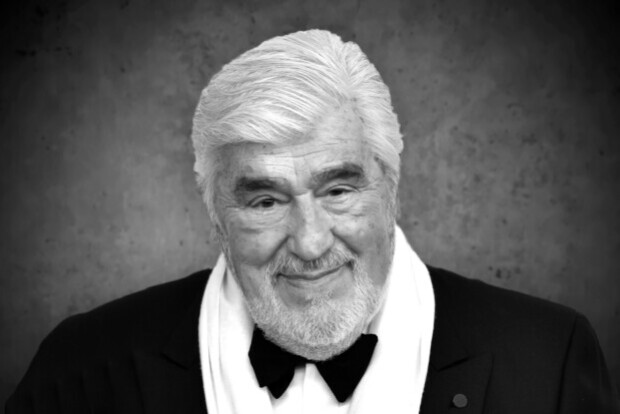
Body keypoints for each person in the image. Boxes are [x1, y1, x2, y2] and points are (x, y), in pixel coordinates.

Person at [6, 29, 619, 414]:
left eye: (339, 189)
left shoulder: (549, 361)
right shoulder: (81, 371)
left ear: (391, 188)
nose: (310, 241)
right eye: (265, 201)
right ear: (216, 215)